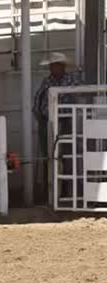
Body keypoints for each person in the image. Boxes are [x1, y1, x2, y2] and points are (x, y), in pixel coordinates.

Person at [33, 52, 82, 189]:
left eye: (55, 65)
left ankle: (65, 188)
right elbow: (37, 99)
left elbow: (80, 98)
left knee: (66, 153)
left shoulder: (72, 80)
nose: (52, 68)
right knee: (47, 154)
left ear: (62, 66)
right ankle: (48, 188)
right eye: (51, 66)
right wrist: (40, 117)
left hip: (66, 120)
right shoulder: (47, 81)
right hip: (48, 121)